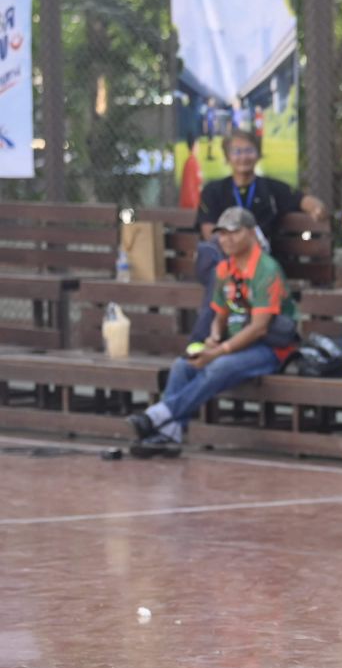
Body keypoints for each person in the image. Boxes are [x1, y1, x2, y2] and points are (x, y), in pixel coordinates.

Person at [126, 208, 299, 458]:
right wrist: (214, 338)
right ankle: (171, 433)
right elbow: (220, 316)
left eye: (234, 232)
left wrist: (219, 352)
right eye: (222, 234)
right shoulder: (223, 270)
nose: (226, 239)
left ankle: (159, 415)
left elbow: (259, 328)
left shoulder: (266, 269)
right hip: (232, 344)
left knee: (218, 366)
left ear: (251, 234)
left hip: (269, 348)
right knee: (182, 366)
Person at [191, 130, 327, 344]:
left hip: (257, 264)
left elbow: (307, 201)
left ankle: (203, 342)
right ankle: (213, 340)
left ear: (258, 154)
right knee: (218, 267)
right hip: (224, 258)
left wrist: (316, 209)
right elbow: (209, 231)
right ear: (227, 157)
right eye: (237, 151)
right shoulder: (213, 191)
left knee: (223, 276)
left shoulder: (271, 188)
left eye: (248, 150)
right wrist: (233, 244)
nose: (243, 156)